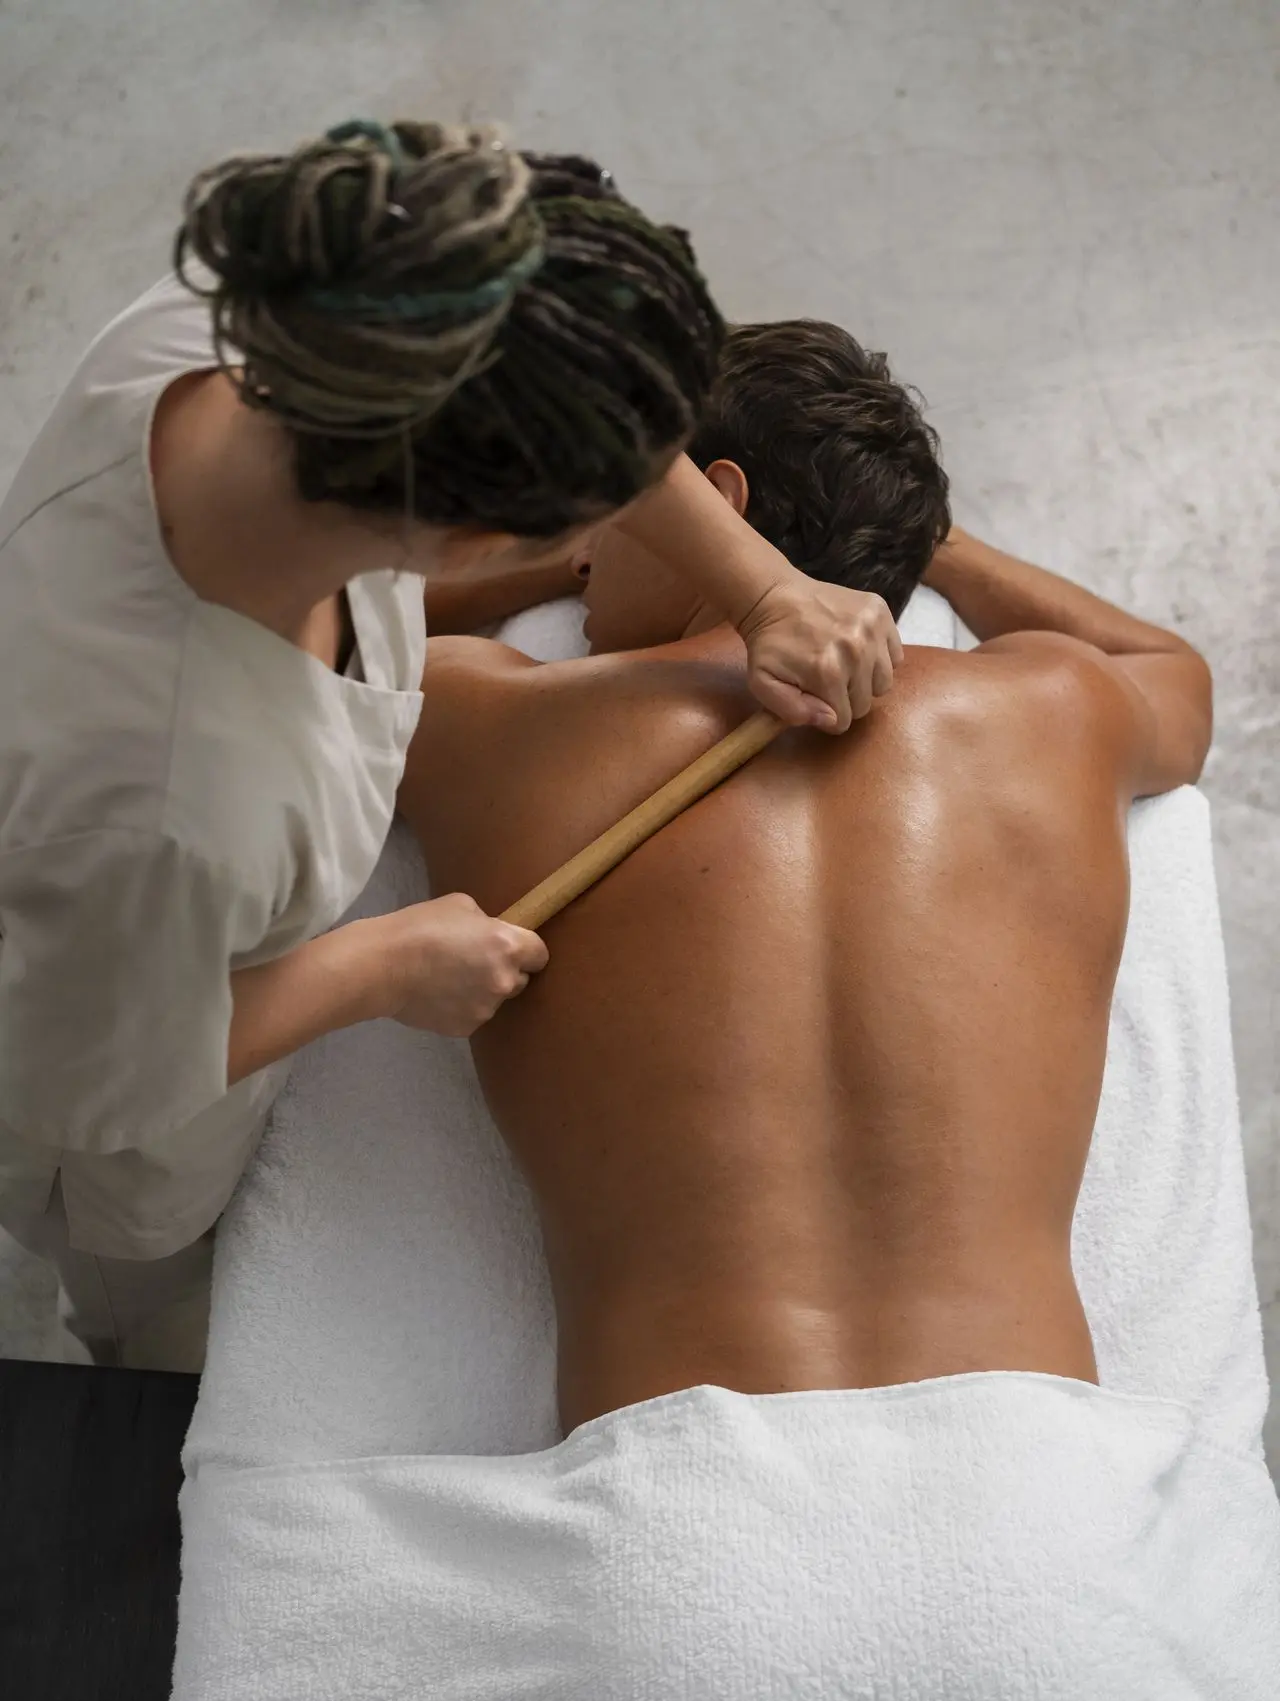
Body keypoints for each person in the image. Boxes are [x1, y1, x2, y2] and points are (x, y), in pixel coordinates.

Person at [0, 125, 901, 1372]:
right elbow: (71, 1074)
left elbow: (559, 371)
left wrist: (763, 586)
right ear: (477, 541)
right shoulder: (164, 811)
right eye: (595, 515)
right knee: (152, 1308)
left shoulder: (309, 313)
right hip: (133, 1122)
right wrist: (380, 967)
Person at [397, 315, 1212, 1434]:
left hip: (677, 1474)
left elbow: (316, 618)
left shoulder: (484, 718)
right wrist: (917, 542)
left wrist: (654, 543)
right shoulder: (1056, 707)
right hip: (1035, 1469)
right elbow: (1172, 666)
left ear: (717, 505)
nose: (581, 555)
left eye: (608, 511)